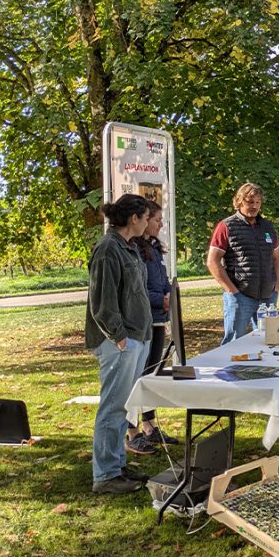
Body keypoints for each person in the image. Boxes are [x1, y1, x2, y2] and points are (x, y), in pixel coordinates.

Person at [85, 193, 153, 494]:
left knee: (123, 408)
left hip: (135, 338)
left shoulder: (129, 247)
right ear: (134, 218)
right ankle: (106, 475)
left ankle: (117, 465)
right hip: (119, 342)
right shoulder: (108, 249)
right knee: (113, 407)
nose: (149, 223)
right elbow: (102, 304)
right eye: (147, 217)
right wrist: (121, 339)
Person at [125, 201, 180, 455]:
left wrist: (170, 295)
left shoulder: (155, 248)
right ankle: (131, 430)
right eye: (156, 219)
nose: (160, 224)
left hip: (158, 319)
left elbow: (161, 280)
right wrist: (161, 299)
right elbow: (138, 288)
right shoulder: (133, 248)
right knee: (136, 377)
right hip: (141, 320)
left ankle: (149, 425)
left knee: (151, 374)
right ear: (144, 220)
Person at [206, 182, 279, 345]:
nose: (254, 206)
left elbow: (277, 258)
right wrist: (232, 292)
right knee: (233, 344)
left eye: (258, 202)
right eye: (250, 202)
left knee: (268, 342)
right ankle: (228, 371)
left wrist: (276, 288)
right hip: (240, 296)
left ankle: (263, 371)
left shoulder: (268, 227)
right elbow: (212, 262)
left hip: (268, 297)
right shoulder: (226, 226)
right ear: (239, 201)